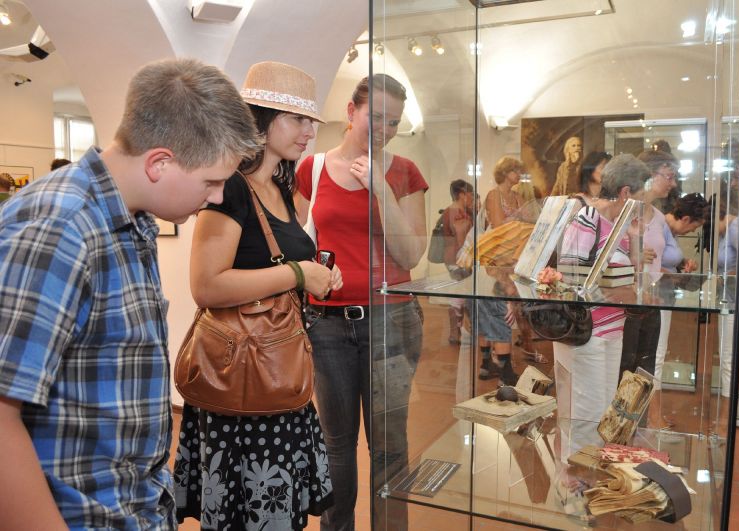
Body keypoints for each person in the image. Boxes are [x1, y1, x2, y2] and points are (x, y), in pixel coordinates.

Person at [0, 58, 260, 529]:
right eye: (212, 181)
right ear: (160, 163)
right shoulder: (62, 228)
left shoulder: (130, 220)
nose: (218, 197)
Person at [173, 61, 341, 530]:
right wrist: (297, 273)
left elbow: (270, 266)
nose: (309, 132)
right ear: (262, 120)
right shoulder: (231, 185)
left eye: (311, 120)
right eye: (297, 119)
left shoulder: (280, 187)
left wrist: (316, 274)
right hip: (240, 374)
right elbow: (206, 285)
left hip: (278, 368)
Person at [294, 74, 428, 531]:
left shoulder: (404, 171)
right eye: (378, 117)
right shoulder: (311, 170)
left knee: (389, 443)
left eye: (394, 122)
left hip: (392, 319)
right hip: (327, 322)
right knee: (336, 443)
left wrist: (381, 188)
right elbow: (296, 244)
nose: (386, 129)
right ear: (351, 112)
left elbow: (410, 255)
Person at [553, 154, 648, 459]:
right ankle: (577, 475)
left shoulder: (620, 224)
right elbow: (570, 280)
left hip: (613, 328)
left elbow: (635, 276)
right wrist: (615, 289)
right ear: (625, 192)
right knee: (587, 413)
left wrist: (635, 239)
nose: (644, 204)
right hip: (588, 332)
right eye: (641, 196)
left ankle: (593, 470)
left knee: (606, 408)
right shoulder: (587, 219)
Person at [616, 149, 678, 393]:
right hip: (626, 303)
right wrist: (633, 256)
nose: (673, 183)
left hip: (650, 299)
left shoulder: (659, 217)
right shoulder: (624, 212)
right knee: (625, 367)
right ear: (650, 175)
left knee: (646, 367)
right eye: (668, 176)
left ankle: (639, 413)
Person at [651, 192, 709, 428]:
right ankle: (653, 416)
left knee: (659, 355)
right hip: (656, 299)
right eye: (694, 226)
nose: (692, 231)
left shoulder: (669, 231)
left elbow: (663, 261)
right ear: (685, 219)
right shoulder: (659, 226)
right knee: (656, 357)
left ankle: (653, 414)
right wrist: (676, 275)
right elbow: (650, 265)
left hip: (664, 297)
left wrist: (682, 266)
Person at [478, 156, 526, 384]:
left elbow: (526, 224)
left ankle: (491, 363)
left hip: (512, 257)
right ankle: (500, 368)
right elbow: (498, 227)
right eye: (515, 170)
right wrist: (518, 226)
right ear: (505, 172)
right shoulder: (493, 195)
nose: (518, 174)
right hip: (496, 258)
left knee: (503, 309)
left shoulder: (518, 197)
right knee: (498, 310)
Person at [442, 178, 475, 343]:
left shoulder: (452, 211)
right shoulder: (457, 212)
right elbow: (461, 238)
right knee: (461, 294)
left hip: (453, 257)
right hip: (458, 258)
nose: (472, 198)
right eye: (470, 194)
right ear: (462, 194)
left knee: (461, 293)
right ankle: (456, 332)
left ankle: (458, 331)